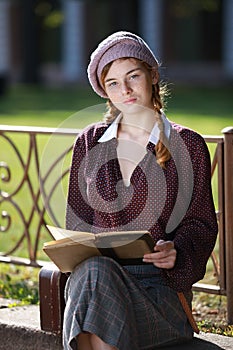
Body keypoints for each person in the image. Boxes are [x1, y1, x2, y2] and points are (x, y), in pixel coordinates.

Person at [63, 31, 218, 350]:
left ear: (153, 75)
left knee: (93, 287)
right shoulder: (89, 143)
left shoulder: (187, 145)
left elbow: (200, 225)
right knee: (94, 272)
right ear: (105, 92)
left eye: (133, 76)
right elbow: (76, 224)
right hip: (96, 282)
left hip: (158, 293)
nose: (126, 90)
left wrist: (177, 252)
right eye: (114, 83)